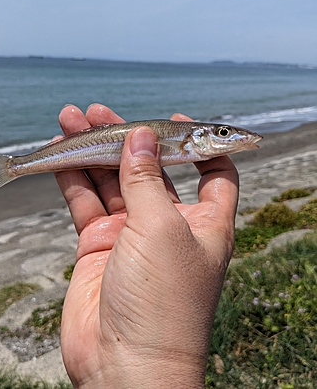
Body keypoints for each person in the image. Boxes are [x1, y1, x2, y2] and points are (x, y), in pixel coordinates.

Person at [54, 103, 238, 389]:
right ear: (198, 136)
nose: (229, 137)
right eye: (224, 133)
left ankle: (16, 167)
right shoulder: (183, 139)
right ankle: (14, 167)